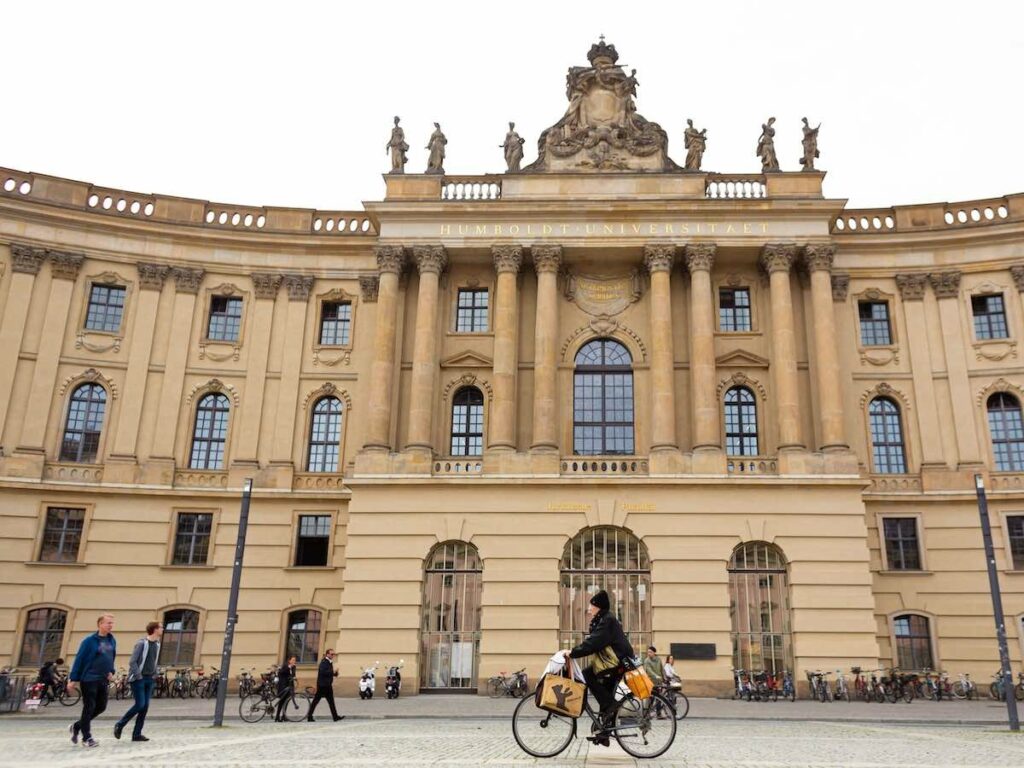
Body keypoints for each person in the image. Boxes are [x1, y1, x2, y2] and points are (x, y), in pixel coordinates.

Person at [567, 590, 634, 747]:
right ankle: (604, 732)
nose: (589, 609)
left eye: (591, 605)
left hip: (617, 662)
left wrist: (572, 653)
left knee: (587, 674)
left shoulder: (607, 621)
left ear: (598, 606)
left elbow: (594, 642)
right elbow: (594, 640)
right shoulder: (604, 619)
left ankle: (610, 707)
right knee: (605, 691)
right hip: (616, 661)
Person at [68, 614, 117, 748]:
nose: (110, 625)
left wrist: (112, 671)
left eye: (112, 623)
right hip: (89, 679)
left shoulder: (112, 640)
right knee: (89, 707)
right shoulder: (89, 641)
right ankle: (87, 738)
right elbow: (79, 659)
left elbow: (110, 658)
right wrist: (73, 679)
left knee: (101, 706)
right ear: (100, 624)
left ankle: (77, 726)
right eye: (108, 623)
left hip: (103, 679)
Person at [113, 621, 162, 742]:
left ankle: (136, 734)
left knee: (145, 707)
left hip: (150, 679)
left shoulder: (157, 644)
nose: (163, 629)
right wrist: (138, 675)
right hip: (138, 679)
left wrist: (155, 674)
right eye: (161, 627)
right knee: (140, 704)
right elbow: (132, 661)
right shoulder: (141, 644)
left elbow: (153, 661)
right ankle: (120, 724)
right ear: (155, 629)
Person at [307, 648, 344, 722]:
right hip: (322, 686)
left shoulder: (329, 662)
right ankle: (309, 716)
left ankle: (335, 717)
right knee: (316, 701)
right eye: (331, 654)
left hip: (327, 685)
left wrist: (335, 673)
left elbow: (329, 673)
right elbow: (323, 672)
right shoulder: (324, 662)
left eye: (333, 654)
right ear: (327, 654)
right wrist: (332, 671)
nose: (333, 655)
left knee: (331, 702)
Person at [643, 646, 667, 718]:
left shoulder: (658, 659)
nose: (649, 653)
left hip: (658, 682)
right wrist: (655, 675)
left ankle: (659, 714)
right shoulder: (647, 661)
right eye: (648, 652)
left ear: (654, 653)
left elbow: (662, 669)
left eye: (650, 652)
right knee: (650, 699)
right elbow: (649, 670)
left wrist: (664, 677)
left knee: (659, 698)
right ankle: (647, 714)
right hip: (650, 682)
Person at [274, 656, 297, 722]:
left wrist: (294, 677)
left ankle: (284, 716)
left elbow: (293, 675)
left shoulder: (294, 667)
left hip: (289, 686)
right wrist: (289, 667)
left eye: (295, 660)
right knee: (281, 701)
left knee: (286, 701)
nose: (294, 661)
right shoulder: (285, 666)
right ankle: (277, 717)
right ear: (289, 661)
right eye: (293, 660)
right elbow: (280, 673)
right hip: (283, 685)